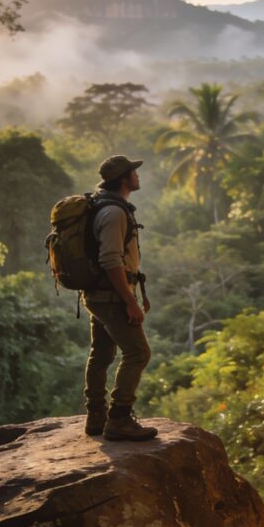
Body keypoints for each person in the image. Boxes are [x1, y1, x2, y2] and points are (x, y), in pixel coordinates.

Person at [82, 155, 157, 441]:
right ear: (123, 179)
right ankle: (119, 418)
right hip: (111, 297)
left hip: (98, 295)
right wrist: (130, 301)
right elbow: (111, 260)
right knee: (138, 353)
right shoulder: (113, 213)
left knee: (101, 354)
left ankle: (96, 416)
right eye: (133, 172)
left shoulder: (102, 205)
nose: (137, 176)